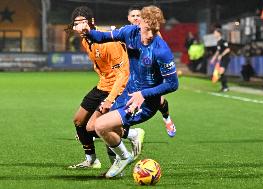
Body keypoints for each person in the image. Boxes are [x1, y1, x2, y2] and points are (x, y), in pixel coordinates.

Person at [73, 5, 179, 177]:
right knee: (92, 126)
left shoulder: (161, 50)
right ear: (140, 23)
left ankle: (124, 157)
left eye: (154, 30)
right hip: (127, 93)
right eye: (147, 29)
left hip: (144, 102)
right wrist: (87, 31)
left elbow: (173, 84)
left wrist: (143, 94)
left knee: (101, 126)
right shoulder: (130, 32)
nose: (150, 35)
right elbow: (103, 36)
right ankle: (127, 146)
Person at [66, 6, 145, 169]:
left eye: (83, 22)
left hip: (118, 88)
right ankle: (92, 160)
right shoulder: (84, 40)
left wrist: (110, 99)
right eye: (76, 23)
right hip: (102, 85)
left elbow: (122, 74)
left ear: (91, 22)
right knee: (79, 121)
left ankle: (132, 134)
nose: (80, 26)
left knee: (94, 127)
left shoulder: (108, 42)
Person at [127, 5, 176, 137]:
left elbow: (159, 46)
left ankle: (167, 118)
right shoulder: (128, 32)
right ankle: (104, 127)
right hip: (132, 73)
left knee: (158, 100)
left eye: (138, 15)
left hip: (150, 71)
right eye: (133, 16)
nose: (136, 18)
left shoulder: (150, 32)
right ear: (128, 18)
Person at [210, 28, 231, 92]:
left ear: (219, 33)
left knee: (221, 72)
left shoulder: (223, 41)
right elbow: (218, 51)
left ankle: (225, 87)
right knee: (221, 73)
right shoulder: (218, 42)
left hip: (225, 58)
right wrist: (213, 58)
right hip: (221, 59)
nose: (214, 34)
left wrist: (221, 55)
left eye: (215, 33)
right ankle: (224, 87)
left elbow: (228, 49)